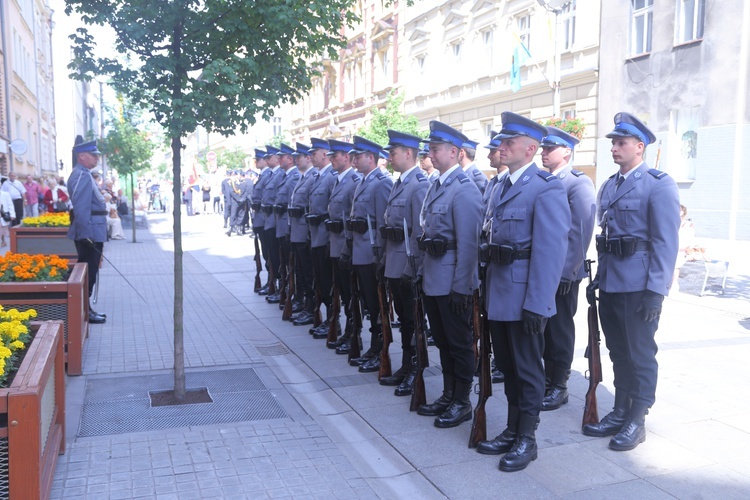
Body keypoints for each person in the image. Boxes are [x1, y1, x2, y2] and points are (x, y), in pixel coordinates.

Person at [475, 112, 570, 472]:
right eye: (501, 141)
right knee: (510, 369)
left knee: (529, 370)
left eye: (508, 142)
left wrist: (538, 304)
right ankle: (513, 428)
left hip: (524, 298)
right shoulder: (500, 185)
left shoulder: (545, 187)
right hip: (498, 293)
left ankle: (527, 439)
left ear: (530, 148)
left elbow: (550, 252)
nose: (501, 146)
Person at [584, 112, 680, 452]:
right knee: (617, 352)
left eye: (621, 142)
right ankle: (620, 410)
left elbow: (666, 243)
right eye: (612, 142)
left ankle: (638, 417)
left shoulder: (658, 184)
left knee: (640, 353)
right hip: (611, 282)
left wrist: (656, 291)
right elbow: (606, 236)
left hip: (639, 286)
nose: (614, 147)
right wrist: (600, 278)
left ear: (639, 147)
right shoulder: (610, 184)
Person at [416, 121, 482, 429]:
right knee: (442, 341)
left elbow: (469, 245)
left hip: (452, 282)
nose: (430, 153)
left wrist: (462, 287)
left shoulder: (464, 190)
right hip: (433, 277)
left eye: (436, 149)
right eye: (430, 148)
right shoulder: (436, 185)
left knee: (458, 342)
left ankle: (462, 400)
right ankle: (447, 393)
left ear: (454, 152)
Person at [539, 127, 597, 411]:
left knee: (559, 329)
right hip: (542, 270)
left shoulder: (577, 183)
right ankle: (546, 379)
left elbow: (580, 234)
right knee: (543, 328)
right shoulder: (544, 181)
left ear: (567, 152)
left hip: (563, 273)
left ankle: (559, 385)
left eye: (550, 148)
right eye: (543, 148)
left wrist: (568, 271)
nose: (544, 153)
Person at [378, 130, 430, 395]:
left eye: (393, 153)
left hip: (408, 267)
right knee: (404, 319)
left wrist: (415, 269)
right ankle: (406, 365)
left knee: (413, 321)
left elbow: (420, 232)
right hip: (395, 264)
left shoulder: (419, 184)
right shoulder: (399, 183)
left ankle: (416, 369)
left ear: (408, 153)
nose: (389, 158)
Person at [344, 136, 393, 374]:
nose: (353, 160)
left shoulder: (381, 183)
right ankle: (373, 348)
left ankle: (379, 348)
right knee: (368, 304)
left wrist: (381, 257)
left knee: (376, 306)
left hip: (372, 256)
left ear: (371, 157)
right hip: (360, 254)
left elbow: (383, 224)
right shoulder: (363, 182)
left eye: (358, 156)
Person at [67, 140, 107, 325]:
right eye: (94, 155)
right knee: (88, 272)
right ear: (82, 156)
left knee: (90, 271)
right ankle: (85, 311)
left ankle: (87, 309)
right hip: (89, 231)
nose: (97, 158)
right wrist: (86, 234)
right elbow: (81, 208)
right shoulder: (82, 176)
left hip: (93, 229)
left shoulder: (84, 174)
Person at [326, 140, 361, 354]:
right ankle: (348, 332)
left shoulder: (353, 181)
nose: (331, 159)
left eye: (335, 155)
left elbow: (352, 216)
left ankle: (353, 333)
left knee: (351, 294)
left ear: (346, 157)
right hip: (336, 245)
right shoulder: (338, 181)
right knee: (343, 292)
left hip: (347, 248)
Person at [306, 139, 338, 340]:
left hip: (326, 238)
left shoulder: (330, 177)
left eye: (314, 153)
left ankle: (333, 321)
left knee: (328, 282)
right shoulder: (318, 177)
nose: (311, 156)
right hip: (316, 237)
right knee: (321, 281)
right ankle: (328, 319)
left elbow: (333, 209)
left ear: (324, 154)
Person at [287, 143, 317, 326]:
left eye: (301, 157)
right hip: (297, 234)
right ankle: (307, 305)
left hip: (306, 234)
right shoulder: (302, 177)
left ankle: (311, 307)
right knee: (301, 272)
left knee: (308, 275)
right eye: (296, 157)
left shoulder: (313, 177)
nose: (297, 160)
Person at [673, 204, 696, 290]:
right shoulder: (673, 222)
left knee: (676, 265)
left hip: (682, 249)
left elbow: (690, 238)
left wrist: (687, 248)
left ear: (682, 212)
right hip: (672, 247)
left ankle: (675, 284)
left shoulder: (689, 224)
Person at [0, 179, 17, 247]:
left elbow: (10, 204)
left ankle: (3, 241)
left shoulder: (5, 194)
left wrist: (12, 214)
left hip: (3, 215)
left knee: (3, 229)